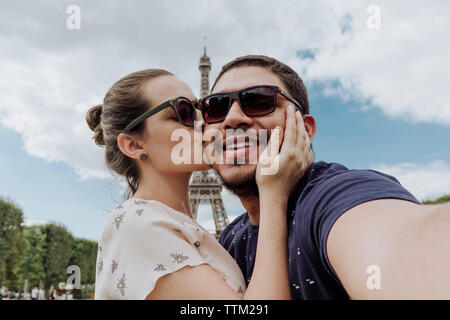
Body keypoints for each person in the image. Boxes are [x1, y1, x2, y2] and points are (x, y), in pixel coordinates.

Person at [200, 55, 450, 300]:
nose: (232, 118)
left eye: (259, 100)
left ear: (305, 129)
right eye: (216, 107)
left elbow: (402, 241)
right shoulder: (231, 237)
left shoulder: (333, 196)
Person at [89, 69, 313, 299]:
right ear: (134, 146)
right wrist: (273, 197)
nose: (205, 122)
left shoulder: (173, 226)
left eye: (203, 108)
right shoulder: (138, 225)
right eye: (184, 112)